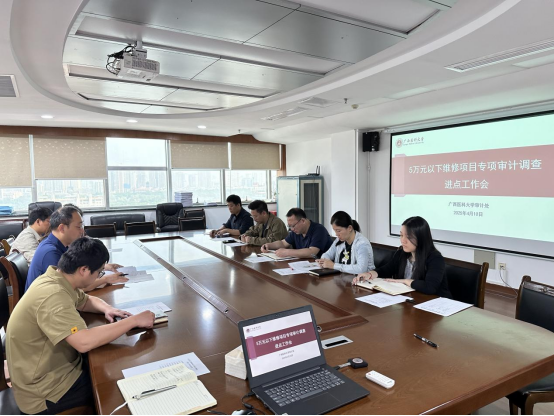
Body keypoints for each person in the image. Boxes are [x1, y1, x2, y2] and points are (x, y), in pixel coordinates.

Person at [6, 237, 156, 415]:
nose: (99, 276)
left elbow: (85, 301)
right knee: (116, 386)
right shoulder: (53, 295)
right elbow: (84, 342)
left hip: (54, 369)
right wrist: (133, 321)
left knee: (106, 365)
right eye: (99, 273)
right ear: (84, 270)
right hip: (44, 392)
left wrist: (108, 309)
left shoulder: (57, 278)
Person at [26, 205, 127, 292]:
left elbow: (75, 270)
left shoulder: (60, 244)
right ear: (62, 228)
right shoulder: (50, 253)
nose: (82, 231)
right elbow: (72, 288)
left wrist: (101, 267)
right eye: (78, 227)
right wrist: (105, 279)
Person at [353, 216, 452, 297]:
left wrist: (405, 281)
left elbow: (430, 287)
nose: (403, 240)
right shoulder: (402, 253)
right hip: (411, 301)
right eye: (401, 235)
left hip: (436, 306)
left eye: (408, 237)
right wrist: (369, 274)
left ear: (421, 238)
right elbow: (386, 270)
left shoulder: (435, 258)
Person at [261, 208, 333, 259]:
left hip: (322, 267)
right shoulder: (296, 231)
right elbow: (283, 243)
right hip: (304, 265)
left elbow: (312, 252)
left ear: (303, 221)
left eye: (293, 226)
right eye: (289, 226)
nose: (292, 229)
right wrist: (269, 245)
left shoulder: (319, 230)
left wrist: (287, 252)